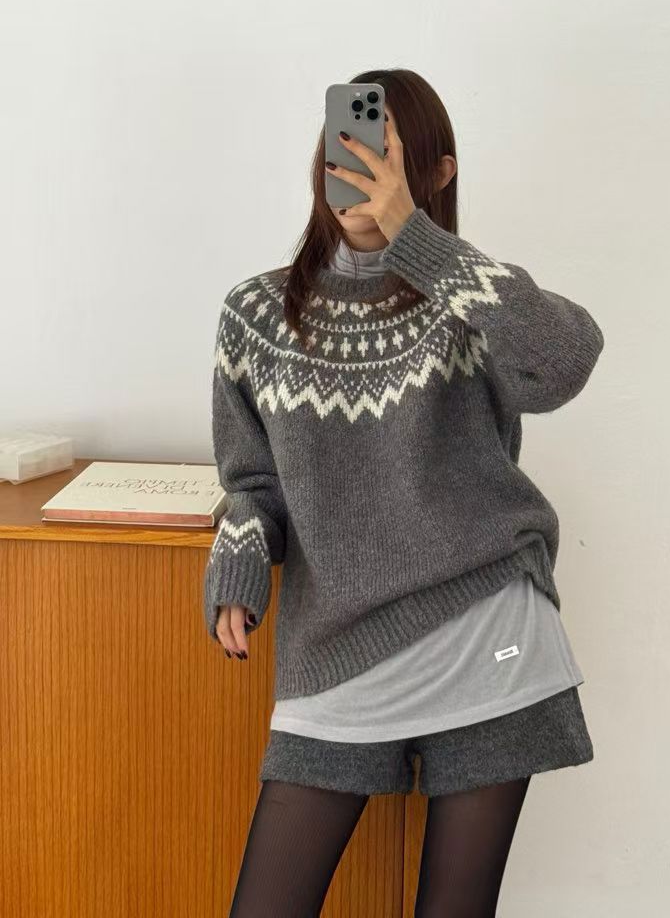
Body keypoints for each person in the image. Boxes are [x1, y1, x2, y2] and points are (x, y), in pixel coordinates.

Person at [203, 68, 604, 917]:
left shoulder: (466, 299)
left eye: (386, 156)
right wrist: (239, 557)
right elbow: (251, 478)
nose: (359, 169)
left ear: (437, 173)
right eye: (345, 148)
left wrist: (416, 238)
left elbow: (565, 362)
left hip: (487, 633)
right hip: (336, 645)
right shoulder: (255, 313)